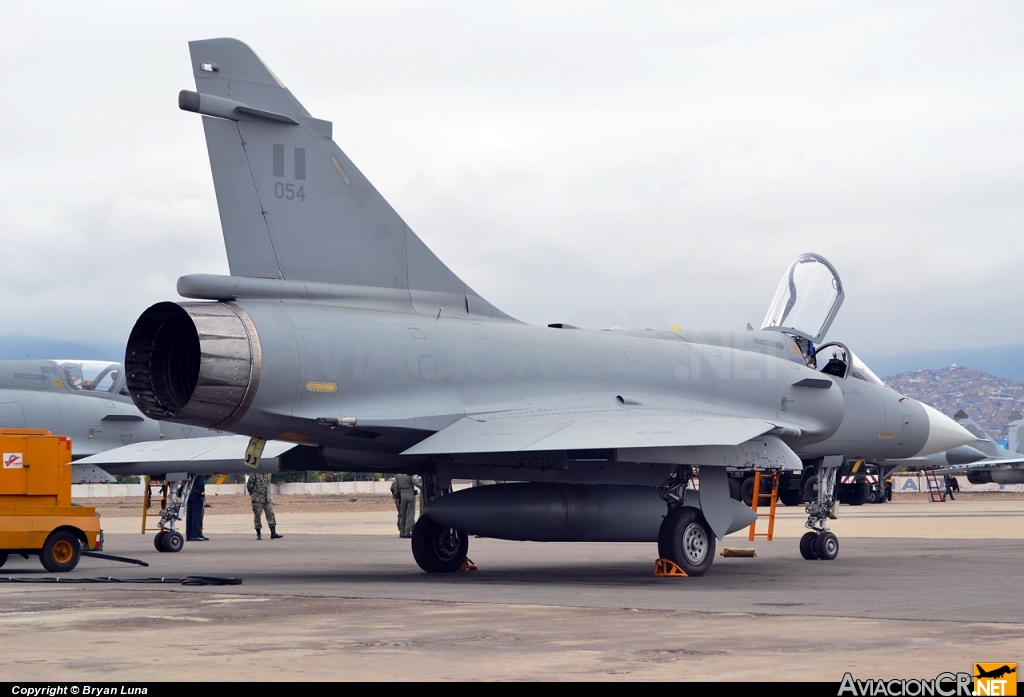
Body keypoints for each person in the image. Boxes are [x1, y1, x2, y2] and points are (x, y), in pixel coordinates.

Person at [247, 472, 283, 540]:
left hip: (267, 498)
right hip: (257, 498)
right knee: (257, 516)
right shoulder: (255, 473)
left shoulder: (268, 473)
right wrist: (254, 494)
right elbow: (249, 485)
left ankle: (273, 533)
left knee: (270, 514)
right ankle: (258, 534)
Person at [390, 473, 418, 538]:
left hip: (402, 495)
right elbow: (416, 482)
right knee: (410, 514)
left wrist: (396, 497)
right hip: (410, 494)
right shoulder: (410, 474)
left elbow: (395, 487)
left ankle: (402, 531)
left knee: (402, 514)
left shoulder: (398, 475)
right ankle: (407, 531)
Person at [186, 474, 208, 541]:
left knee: (190, 515)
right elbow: (201, 484)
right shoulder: (200, 471)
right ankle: (195, 535)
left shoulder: (190, 472)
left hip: (189, 495)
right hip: (197, 495)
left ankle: (189, 535)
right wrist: (202, 493)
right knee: (196, 515)